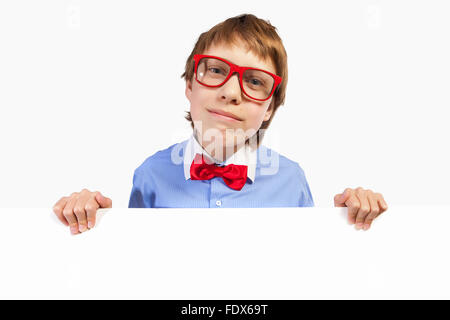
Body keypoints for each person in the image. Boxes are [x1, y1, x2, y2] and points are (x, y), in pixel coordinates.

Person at [53, 14, 388, 235]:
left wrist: (352, 219)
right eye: (215, 71)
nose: (231, 93)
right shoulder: (149, 175)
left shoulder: (292, 179)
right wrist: (89, 219)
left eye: (255, 82)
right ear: (189, 85)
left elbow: (308, 273)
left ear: (270, 107)